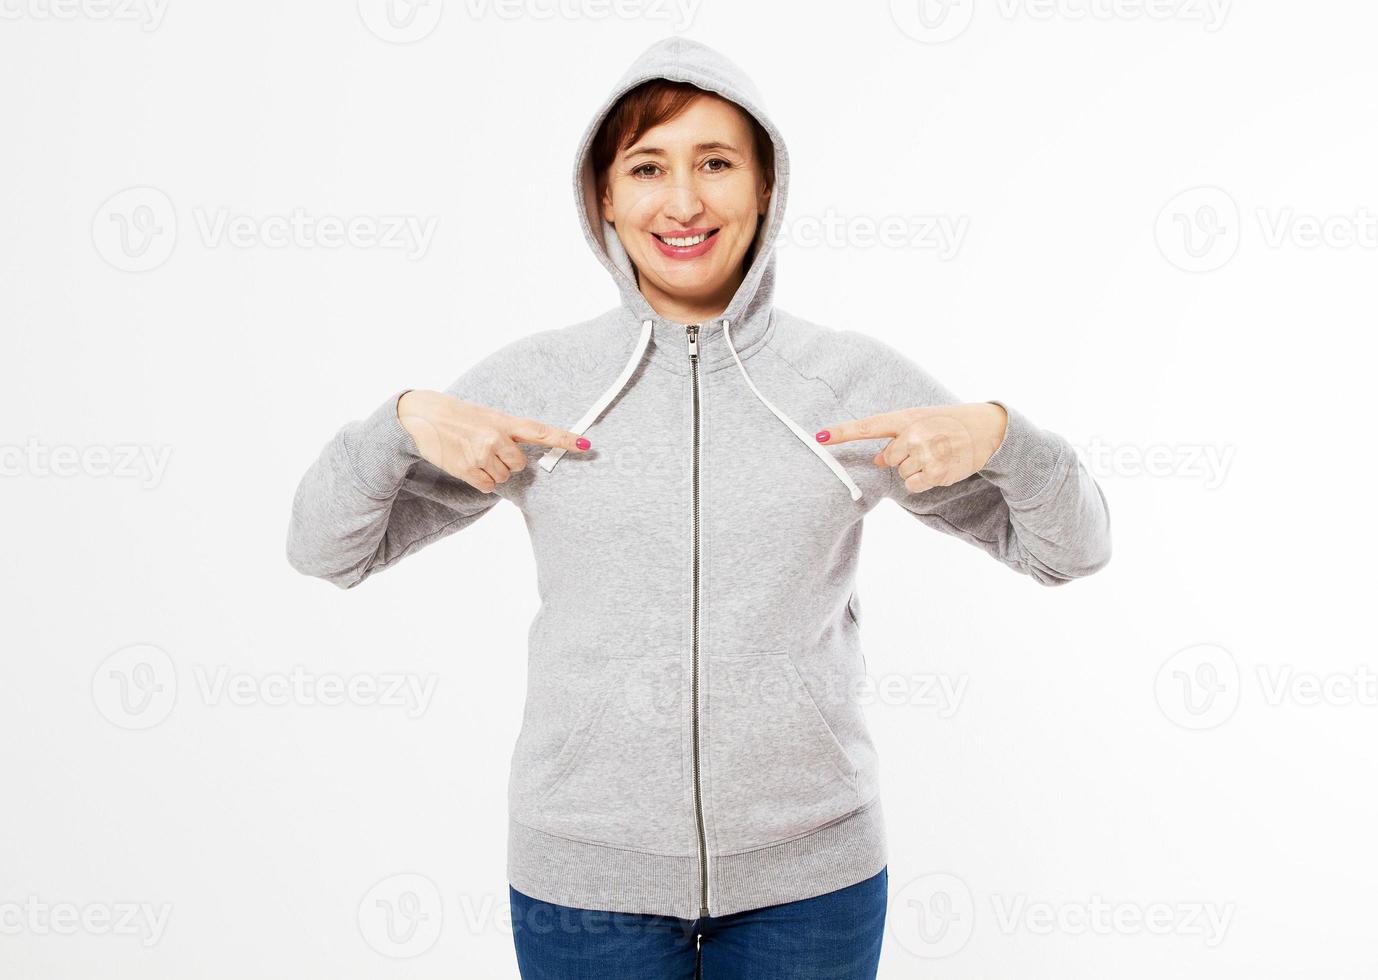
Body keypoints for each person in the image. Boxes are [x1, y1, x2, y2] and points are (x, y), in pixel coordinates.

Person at [285, 35, 1111, 979]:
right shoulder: (539, 384)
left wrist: (1004, 436)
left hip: (815, 885)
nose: (682, 202)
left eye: (716, 163)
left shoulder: (846, 384)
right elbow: (324, 550)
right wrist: (396, 426)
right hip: (584, 888)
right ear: (603, 196)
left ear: (767, 189)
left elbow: (1071, 552)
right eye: (647, 167)